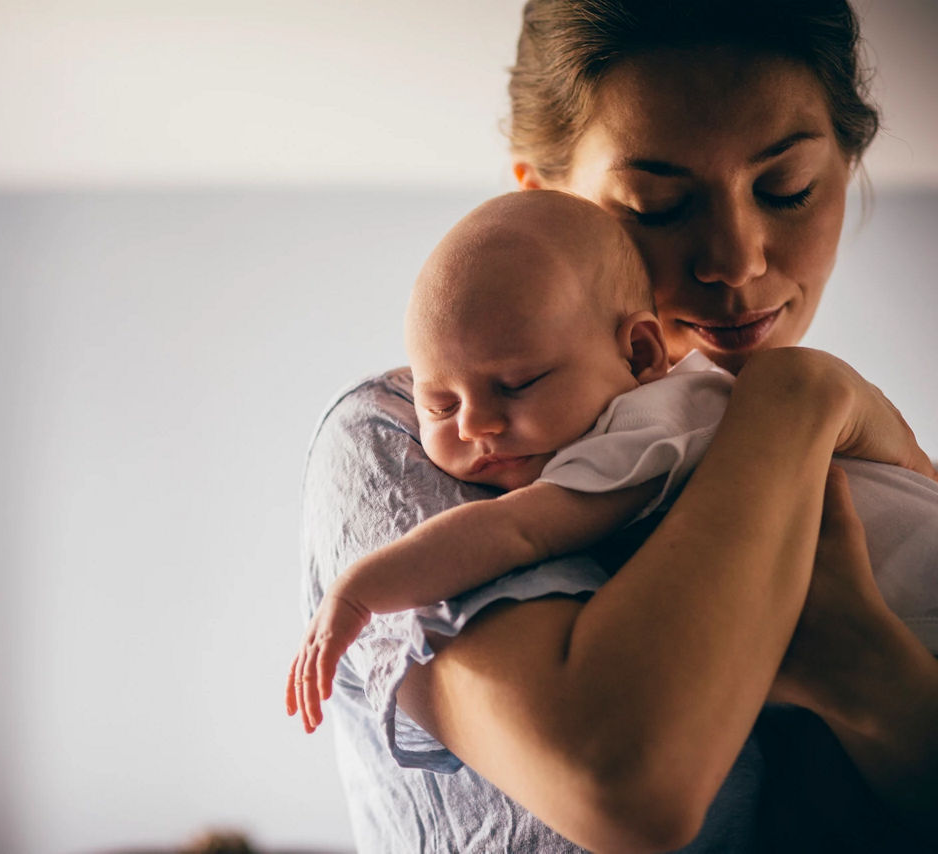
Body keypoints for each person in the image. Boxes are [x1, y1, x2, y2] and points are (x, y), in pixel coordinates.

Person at [297, 1, 938, 851]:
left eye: (788, 188)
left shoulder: (848, 459)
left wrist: (867, 671)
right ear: (549, 203)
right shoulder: (412, 436)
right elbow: (625, 785)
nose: (738, 261)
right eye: (658, 205)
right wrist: (797, 398)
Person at [286, 190, 938, 732]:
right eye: (438, 405)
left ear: (641, 356)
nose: (477, 423)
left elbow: (516, 529)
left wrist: (360, 590)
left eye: (518, 384)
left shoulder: (657, 421)